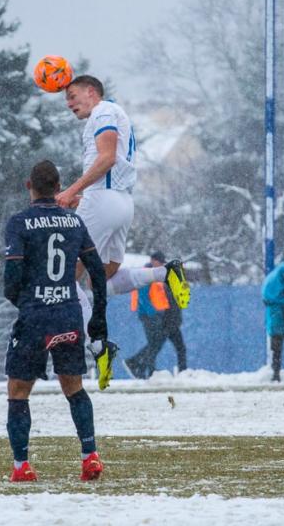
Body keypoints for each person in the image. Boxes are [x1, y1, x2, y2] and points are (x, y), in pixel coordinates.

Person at [59, 76, 190, 385]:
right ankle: (165, 273)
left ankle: (99, 346)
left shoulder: (103, 110)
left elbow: (106, 158)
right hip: (122, 202)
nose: (69, 103)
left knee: (65, 280)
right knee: (99, 278)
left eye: (73, 95)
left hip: (103, 199)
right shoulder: (114, 113)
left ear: (92, 92)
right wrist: (82, 197)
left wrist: (71, 191)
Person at [3, 160, 110, 482]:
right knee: (74, 386)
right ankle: (89, 455)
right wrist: (99, 319)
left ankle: (22, 466)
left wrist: (25, 302)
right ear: (58, 186)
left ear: (29, 186)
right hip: (68, 314)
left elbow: (12, 277)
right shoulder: (74, 222)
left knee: (18, 390)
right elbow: (97, 273)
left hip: (36, 316)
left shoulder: (19, 222)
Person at [125, 252, 187, 378]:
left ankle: (140, 367)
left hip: (164, 318)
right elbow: (144, 297)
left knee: (155, 345)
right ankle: (143, 368)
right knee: (155, 345)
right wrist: (153, 314)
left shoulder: (159, 276)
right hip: (156, 317)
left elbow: (168, 300)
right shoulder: (147, 274)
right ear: (153, 260)